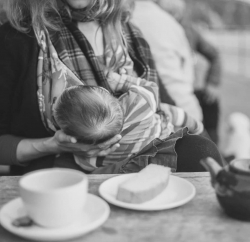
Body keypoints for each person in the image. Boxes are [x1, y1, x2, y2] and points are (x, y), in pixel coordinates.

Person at [0, 0, 223, 175]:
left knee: (202, 151)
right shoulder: (16, 39)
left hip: (138, 157)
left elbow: (164, 108)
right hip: (60, 168)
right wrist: (53, 145)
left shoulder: (130, 34)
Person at [53, 72, 204, 172]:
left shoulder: (90, 156)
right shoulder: (138, 101)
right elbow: (150, 86)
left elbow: (85, 164)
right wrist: (120, 81)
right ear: (104, 90)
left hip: (143, 156)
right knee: (170, 111)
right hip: (163, 134)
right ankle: (196, 126)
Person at [157, 0, 222, 144]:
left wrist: (213, 82)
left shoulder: (189, 30)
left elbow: (214, 54)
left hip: (189, 89)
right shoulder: (157, 29)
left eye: (174, 13)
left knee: (211, 102)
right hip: (167, 91)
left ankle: (213, 149)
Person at [131, 0, 203, 122]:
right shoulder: (172, 25)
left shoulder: (127, 17)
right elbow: (188, 69)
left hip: (150, 106)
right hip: (182, 104)